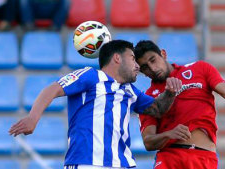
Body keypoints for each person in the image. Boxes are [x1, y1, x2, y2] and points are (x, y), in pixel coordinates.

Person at [9, 40, 182, 169]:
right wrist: (33, 118)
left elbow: (158, 109)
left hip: (123, 164)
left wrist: (170, 92)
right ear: (117, 58)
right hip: (87, 162)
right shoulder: (90, 76)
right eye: (133, 59)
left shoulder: (131, 91)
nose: (138, 66)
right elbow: (53, 89)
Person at [133, 40, 225, 169]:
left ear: (163, 54)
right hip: (169, 158)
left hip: (203, 157)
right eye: (145, 67)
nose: (152, 68)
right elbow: (149, 142)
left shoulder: (200, 69)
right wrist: (169, 134)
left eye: (153, 60)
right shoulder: (147, 98)